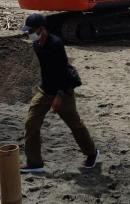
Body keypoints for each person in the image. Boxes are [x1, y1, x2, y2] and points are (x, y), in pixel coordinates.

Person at [20, 13, 99, 173]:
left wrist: (59, 95)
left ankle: (92, 153)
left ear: (41, 29)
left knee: (75, 125)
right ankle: (35, 163)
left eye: (31, 31)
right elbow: (47, 70)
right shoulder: (36, 45)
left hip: (62, 92)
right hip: (44, 92)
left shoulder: (56, 44)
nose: (29, 34)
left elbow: (63, 72)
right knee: (31, 123)